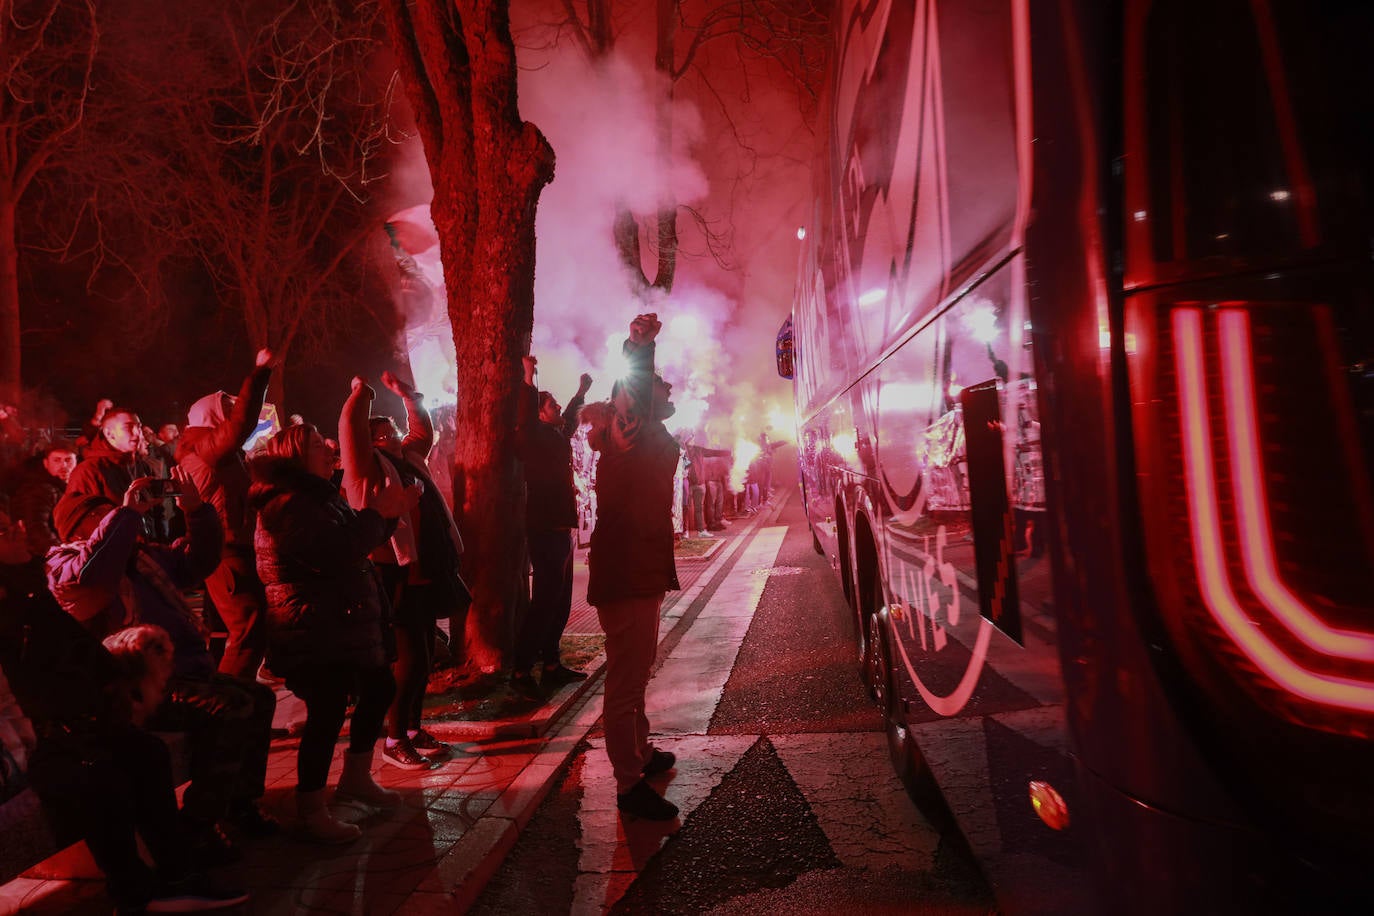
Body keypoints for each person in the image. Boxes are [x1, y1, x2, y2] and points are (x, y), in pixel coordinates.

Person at [1, 518, 248, 914]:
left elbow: (77, 648)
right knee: (101, 778)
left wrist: (116, 683)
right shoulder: (13, 604)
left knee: (147, 752)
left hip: (80, 725)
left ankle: (177, 874)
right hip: (47, 741)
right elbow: (38, 675)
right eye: (1, 530)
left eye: (11, 522)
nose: (16, 529)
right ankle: (135, 893)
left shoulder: (28, 590)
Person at [48, 469, 279, 860]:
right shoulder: (65, 566)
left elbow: (198, 561)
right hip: (137, 688)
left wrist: (197, 511)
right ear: (79, 528)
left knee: (258, 697)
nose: (118, 519)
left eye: (113, 514)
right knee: (230, 709)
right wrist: (122, 516)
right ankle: (198, 825)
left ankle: (240, 803)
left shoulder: (142, 557)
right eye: (101, 517)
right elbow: (93, 568)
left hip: (184, 674)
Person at [250, 422, 419, 843]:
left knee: (379, 687)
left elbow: (350, 540)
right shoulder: (287, 503)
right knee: (326, 712)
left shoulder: (317, 496)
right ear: (294, 455)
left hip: (337, 620)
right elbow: (336, 550)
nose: (329, 450)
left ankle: (356, 779)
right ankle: (311, 807)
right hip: (310, 624)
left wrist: (385, 513)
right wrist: (383, 512)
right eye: (316, 445)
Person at [581, 313, 682, 821]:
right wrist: (639, 348)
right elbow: (634, 395)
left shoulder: (637, 440)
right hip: (627, 575)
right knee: (624, 684)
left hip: (638, 570)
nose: (667, 388)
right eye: (656, 385)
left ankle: (641, 755)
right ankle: (626, 784)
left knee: (636, 677)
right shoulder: (627, 441)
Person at [339, 373, 467, 769]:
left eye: (395, 428)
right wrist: (361, 396)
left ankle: (413, 729)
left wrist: (407, 396)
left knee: (425, 658)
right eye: (387, 429)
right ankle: (393, 740)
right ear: (373, 439)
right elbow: (351, 434)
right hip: (393, 576)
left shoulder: (408, 459)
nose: (396, 432)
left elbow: (422, 430)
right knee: (408, 662)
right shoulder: (366, 468)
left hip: (425, 574)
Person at [177, 349, 276, 680]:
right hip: (225, 551)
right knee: (247, 634)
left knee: (252, 631)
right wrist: (260, 372)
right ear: (212, 417)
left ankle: (238, 709)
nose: (238, 414)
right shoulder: (204, 448)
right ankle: (227, 713)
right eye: (229, 409)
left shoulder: (220, 452)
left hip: (234, 546)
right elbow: (241, 425)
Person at [510, 355, 592, 697]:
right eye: (552, 404)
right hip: (544, 527)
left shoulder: (555, 436)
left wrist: (580, 393)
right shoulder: (532, 435)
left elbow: (570, 423)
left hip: (560, 527)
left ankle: (552, 663)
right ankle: (521, 669)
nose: (558, 407)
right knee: (544, 601)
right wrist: (529, 377)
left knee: (560, 601)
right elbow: (524, 417)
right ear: (539, 413)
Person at [9, 440, 77, 557]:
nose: (63, 465)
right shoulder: (39, 490)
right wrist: (61, 552)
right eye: (57, 460)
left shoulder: (70, 487)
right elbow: (37, 530)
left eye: (68, 460)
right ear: (46, 463)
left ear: (76, 462)